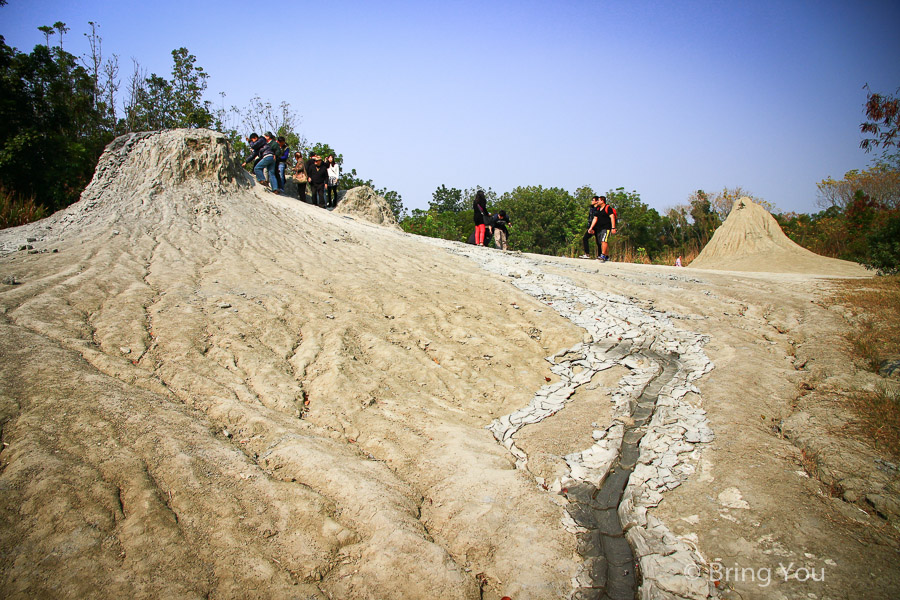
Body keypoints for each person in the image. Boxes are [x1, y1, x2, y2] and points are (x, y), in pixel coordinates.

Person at [595, 195, 617, 261]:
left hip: (606, 228)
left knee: (604, 240)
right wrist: (591, 228)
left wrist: (613, 228)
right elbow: (595, 218)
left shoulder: (608, 208)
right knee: (602, 242)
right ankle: (607, 256)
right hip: (599, 228)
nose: (597, 202)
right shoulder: (598, 209)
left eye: (598, 200)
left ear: (602, 201)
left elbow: (612, 217)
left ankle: (603, 255)